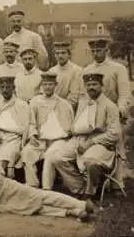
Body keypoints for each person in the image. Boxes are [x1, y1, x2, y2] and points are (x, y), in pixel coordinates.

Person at [51, 73, 123, 201]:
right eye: (89, 85)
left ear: (102, 86)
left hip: (101, 142)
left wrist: (92, 142)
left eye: (95, 84)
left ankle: (90, 192)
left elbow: (115, 134)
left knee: (91, 162)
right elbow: (78, 124)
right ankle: (79, 188)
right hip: (79, 138)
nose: (91, 87)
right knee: (58, 158)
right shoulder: (83, 103)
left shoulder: (110, 106)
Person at [21, 73, 74, 189]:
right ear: (42, 86)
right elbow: (31, 122)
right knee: (27, 151)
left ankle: (46, 188)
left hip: (58, 140)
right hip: (41, 139)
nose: (47, 87)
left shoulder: (64, 104)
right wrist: (32, 135)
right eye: (45, 84)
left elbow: (69, 128)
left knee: (50, 155)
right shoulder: (35, 102)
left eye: (50, 84)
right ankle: (32, 184)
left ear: (55, 85)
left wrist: (66, 134)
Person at [83, 39, 131, 120]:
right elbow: (84, 94)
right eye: (93, 51)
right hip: (92, 113)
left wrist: (120, 110)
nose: (95, 54)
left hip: (113, 111)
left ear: (106, 51)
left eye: (98, 51)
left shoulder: (119, 69)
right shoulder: (86, 70)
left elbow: (124, 94)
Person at [48, 42, 83, 111]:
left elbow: (74, 96)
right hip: (51, 108)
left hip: (68, 108)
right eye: (57, 53)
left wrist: (61, 108)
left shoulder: (77, 70)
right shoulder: (51, 71)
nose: (60, 56)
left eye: (63, 53)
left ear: (69, 54)